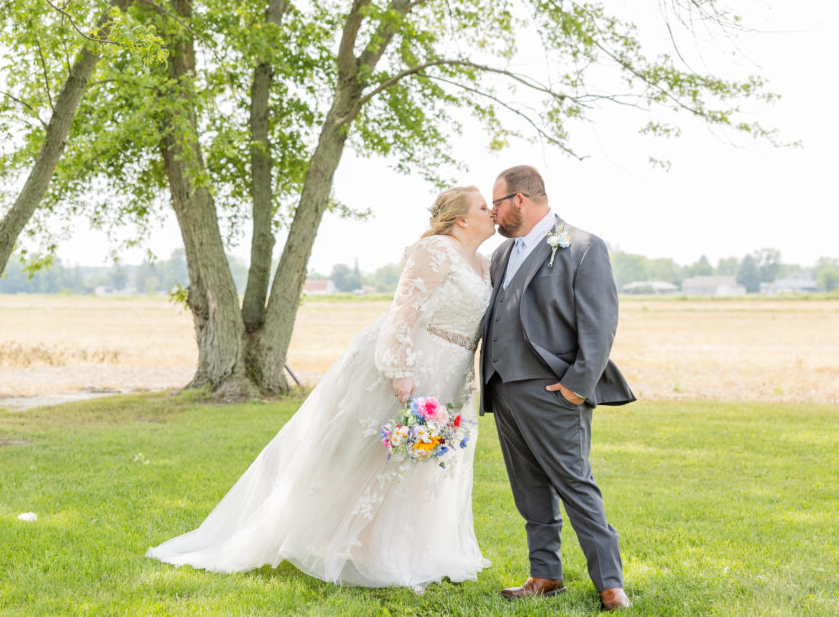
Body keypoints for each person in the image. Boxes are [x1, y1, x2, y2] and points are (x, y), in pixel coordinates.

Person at [147, 186, 497, 590]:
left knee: (421, 463)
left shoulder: (485, 264)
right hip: (409, 366)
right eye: (484, 207)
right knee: (368, 453)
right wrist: (402, 369)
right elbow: (403, 311)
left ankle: (396, 549)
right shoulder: (434, 250)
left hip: (451, 373)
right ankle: (326, 537)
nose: (492, 212)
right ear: (462, 219)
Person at [479, 165, 636, 611]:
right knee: (528, 488)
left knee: (575, 485)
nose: (493, 213)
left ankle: (610, 583)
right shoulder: (501, 255)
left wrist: (575, 387)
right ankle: (544, 574)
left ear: (521, 200)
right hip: (503, 388)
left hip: (554, 391)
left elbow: (600, 325)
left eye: (497, 203)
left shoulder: (583, 247)